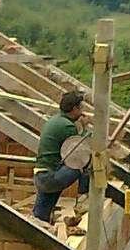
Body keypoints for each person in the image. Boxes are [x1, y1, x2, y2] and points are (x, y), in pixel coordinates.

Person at [31, 92, 90, 222]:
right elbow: (81, 151)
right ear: (74, 109)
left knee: (40, 217)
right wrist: (85, 128)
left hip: (41, 175)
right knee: (84, 162)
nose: (81, 112)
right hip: (51, 177)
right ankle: (83, 200)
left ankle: (40, 223)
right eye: (80, 108)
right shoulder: (67, 126)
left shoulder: (55, 120)